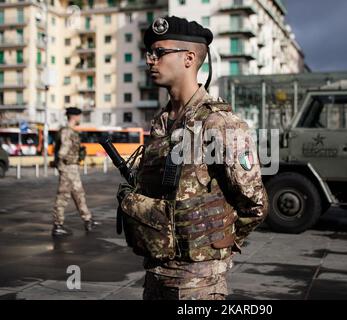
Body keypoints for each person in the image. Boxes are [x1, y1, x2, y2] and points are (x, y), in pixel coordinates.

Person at [116, 16, 268, 300]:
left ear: (189, 58)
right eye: (149, 53)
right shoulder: (161, 124)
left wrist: (216, 243)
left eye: (159, 53)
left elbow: (255, 204)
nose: (150, 60)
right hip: (156, 273)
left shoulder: (219, 124)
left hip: (198, 285)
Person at [52, 107, 99, 237]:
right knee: (63, 196)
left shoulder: (70, 131)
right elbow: (63, 151)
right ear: (74, 117)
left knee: (79, 194)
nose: (80, 118)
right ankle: (58, 225)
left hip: (72, 168)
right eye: (79, 116)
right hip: (67, 168)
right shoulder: (67, 131)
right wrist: (61, 164)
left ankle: (88, 219)